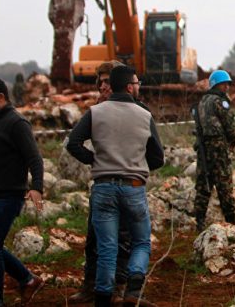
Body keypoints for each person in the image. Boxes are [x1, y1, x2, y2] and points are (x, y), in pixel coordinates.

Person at [67, 66, 164, 307]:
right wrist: (137, 165)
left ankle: (102, 297)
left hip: (103, 187)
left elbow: (73, 143)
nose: (138, 86)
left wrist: (94, 159)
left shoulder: (95, 112)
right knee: (141, 242)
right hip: (133, 187)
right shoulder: (144, 114)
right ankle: (133, 289)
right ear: (130, 87)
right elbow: (158, 157)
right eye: (137, 83)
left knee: (106, 247)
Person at [68, 60, 134, 304]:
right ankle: (90, 284)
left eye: (108, 81)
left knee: (123, 238)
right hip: (103, 181)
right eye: (101, 82)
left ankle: (119, 287)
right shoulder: (96, 110)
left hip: (128, 181)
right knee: (94, 236)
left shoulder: (134, 108)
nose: (103, 86)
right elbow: (74, 143)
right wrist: (94, 160)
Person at [0, 77, 45, 306]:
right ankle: (28, 279)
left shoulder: (17, 122)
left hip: (8, 196)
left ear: (0, 97)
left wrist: (37, 187)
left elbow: (35, 158)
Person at [193, 70, 235, 232]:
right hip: (218, 148)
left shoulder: (202, 102)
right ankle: (231, 222)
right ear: (216, 85)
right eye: (224, 84)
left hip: (203, 148)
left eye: (227, 84)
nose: (227, 87)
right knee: (224, 184)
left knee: (203, 184)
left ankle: (199, 222)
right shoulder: (220, 101)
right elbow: (229, 124)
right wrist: (233, 141)